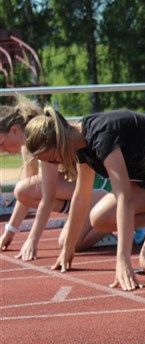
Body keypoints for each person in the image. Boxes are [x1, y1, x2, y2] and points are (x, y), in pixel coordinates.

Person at [23, 108, 145, 290]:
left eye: (54, 160)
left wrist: (123, 261)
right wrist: (68, 248)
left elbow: (124, 198)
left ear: (60, 143)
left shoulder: (102, 137)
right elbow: (81, 196)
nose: (57, 165)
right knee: (99, 218)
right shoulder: (80, 143)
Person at [1, 97, 108, 258]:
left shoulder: (43, 140)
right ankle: (93, 222)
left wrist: (32, 239)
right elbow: (26, 196)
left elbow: (48, 197)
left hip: (98, 184)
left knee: (69, 242)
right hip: (80, 187)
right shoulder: (28, 146)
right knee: (23, 191)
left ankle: (127, 224)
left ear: (15, 130)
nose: (1, 150)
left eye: (0, 143)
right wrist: (9, 232)